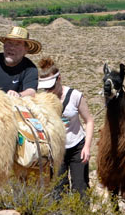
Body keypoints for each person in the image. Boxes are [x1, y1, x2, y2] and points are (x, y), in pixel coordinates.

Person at [37, 59, 94, 196]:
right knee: (58, 188)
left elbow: (89, 121)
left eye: (51, 86)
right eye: (45, 88)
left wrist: (87, 147)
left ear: (59, 79)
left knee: (80, 187)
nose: (48, 91)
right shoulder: (42, 99)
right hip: (56, 148)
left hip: (77, 146)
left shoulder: (75, 96)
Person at [0, 25, 41, 97]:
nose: (12, 48)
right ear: (4, 45)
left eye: (17, 44)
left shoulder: (30, 68)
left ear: (26, 50)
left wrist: (18, 95)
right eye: (9, 43)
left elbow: (31, 91)